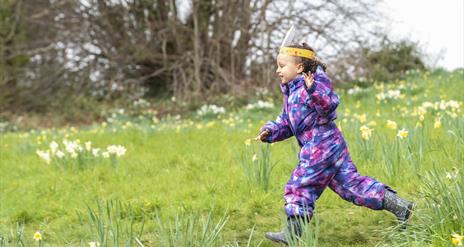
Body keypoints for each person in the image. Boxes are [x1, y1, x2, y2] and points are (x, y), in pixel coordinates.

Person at [255, 43, 415, 245]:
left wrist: (312, 90)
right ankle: (401, 206)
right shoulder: (292, 91)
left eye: (282, 65)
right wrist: (271, 131)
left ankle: (293, 234)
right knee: (350, 185)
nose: (278, 70)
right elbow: (288, 121)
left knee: (300, 185)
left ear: (299, 67)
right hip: (330, 145)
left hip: (320, 146)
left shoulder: (315, 84)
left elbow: (328, 105)